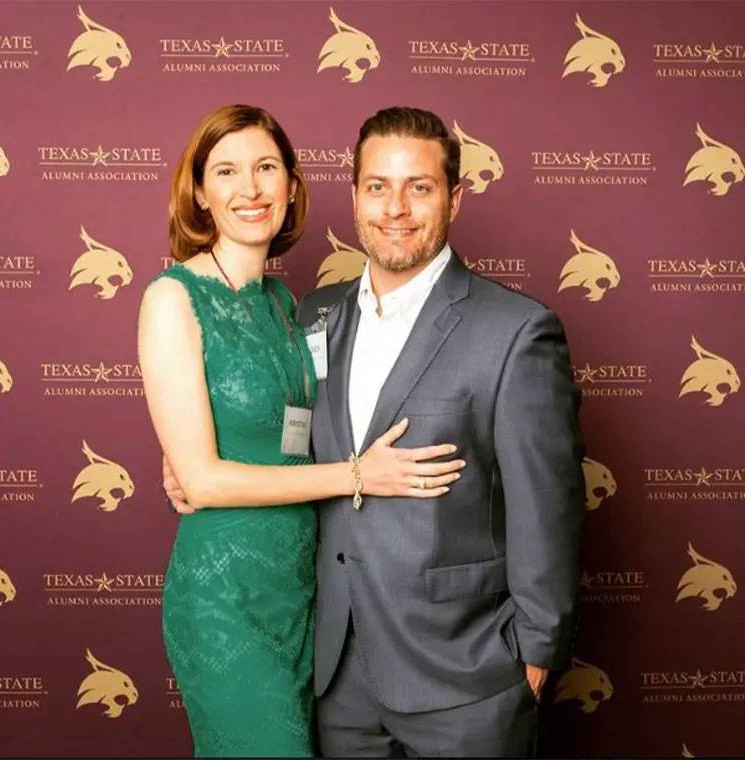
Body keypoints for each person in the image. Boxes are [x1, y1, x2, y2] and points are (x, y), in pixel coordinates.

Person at [166, 105, 585, 758]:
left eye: (419, 187)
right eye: (378, 187)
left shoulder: (515, 332)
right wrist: (194, 467)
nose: (396, 208)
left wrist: (534, 653)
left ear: (455, 198)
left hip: (465, 675)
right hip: (334, 674)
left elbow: (548, 504)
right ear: (355, 197)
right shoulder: (312, 313)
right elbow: (285, 432)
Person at [139, 104, 465, 758]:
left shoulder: (288, 306)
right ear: (200, 192)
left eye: (266, 168)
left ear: (292, 184)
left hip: (302, 590)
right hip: (226, 595)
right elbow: (203, 478)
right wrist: (356, 476)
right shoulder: (172, 298)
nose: (250, 189)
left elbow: (303, 427)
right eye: (226, 171)